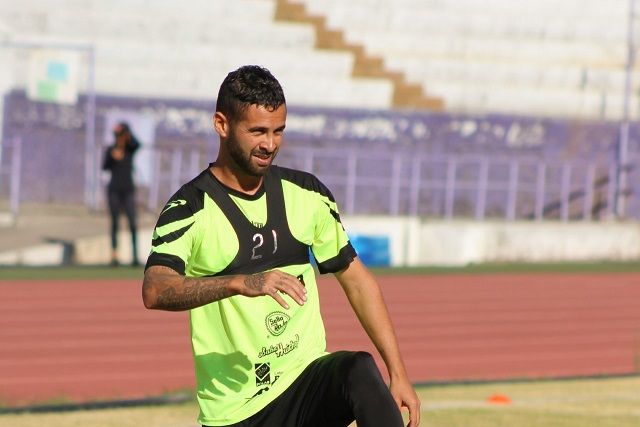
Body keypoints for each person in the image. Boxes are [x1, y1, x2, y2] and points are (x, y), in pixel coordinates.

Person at [142, 65, 420, 427]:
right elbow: (155, 289)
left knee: (358, 369)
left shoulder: (308, 195)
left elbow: (358, 281)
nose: (270, 144)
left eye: (278, 131)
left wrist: (397, 373)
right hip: (236, 412)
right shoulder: (188, 209)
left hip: (304, 381)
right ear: (222, 125)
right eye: (257, 131)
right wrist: (239, 282)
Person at [102, 122, 141, 266]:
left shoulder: (130, 149)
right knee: (115, 223)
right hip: (114, 190)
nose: (121, 138)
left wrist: (126, 130)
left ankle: (135, 257)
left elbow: (137, 144)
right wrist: (113, 157)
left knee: (132, 223)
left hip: (128, 190)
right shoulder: (111, 150)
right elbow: (104, 166)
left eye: (122, 135)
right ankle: (114, 256)